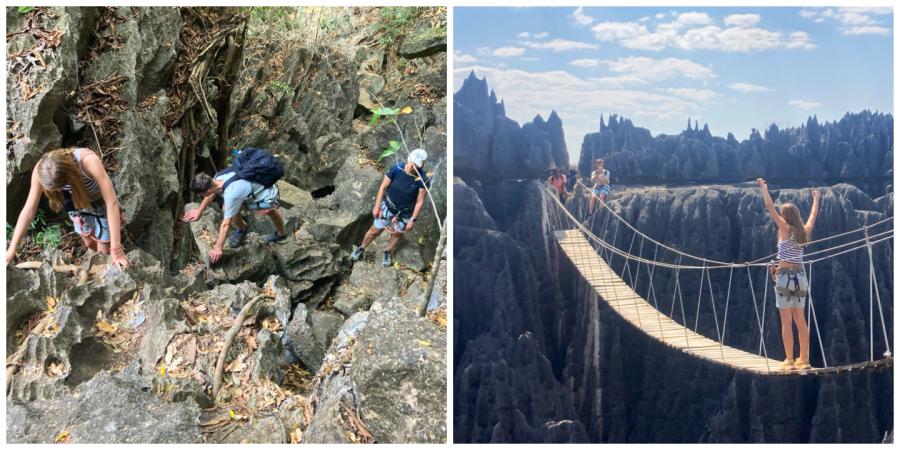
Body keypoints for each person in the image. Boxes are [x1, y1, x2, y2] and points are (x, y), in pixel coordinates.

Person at [6, 148, 130, 269]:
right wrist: (12, 249)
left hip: (99, 202)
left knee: (104, 251)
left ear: (69, 174)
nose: (59, 190)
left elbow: (111, 202)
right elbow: (28, 210)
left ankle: (109, 262)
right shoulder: (42, 170)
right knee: (89, 244)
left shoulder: (88, 162)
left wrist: (116, 248)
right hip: (76, 204)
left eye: (61, 186)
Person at [757, 178, 820, 371]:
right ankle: (804, 359)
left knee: (786, 322)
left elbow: (769, 206)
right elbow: (813, 215)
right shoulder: (805, 231)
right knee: (800, 321)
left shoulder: (784, 229)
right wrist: (816, 198)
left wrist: (763, 188)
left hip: (784, 278)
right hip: (800, 278)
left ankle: (790, 360)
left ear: (785, 217)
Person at [183, 167, 287, 264]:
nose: (199, 196)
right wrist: (198, 211)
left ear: (208, 190)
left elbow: (226, 224)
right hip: (251, 187)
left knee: (270, 211)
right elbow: (210, 195)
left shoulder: (231, 194)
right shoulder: (217, 177)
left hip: (266, 195)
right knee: (227, 208)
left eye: (200, 194)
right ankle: (242, 229)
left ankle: (281, 234)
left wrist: (218, 249)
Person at [350, 148, 430, 267]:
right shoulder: (397, 168)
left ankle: (387, 251)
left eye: (416, 165)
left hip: (404, 213)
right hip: (388, 206)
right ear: (408, 158)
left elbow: (420, 201)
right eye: (411, 162)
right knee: (374, 230)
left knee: (397, 234)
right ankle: (361, 248)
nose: (412, 167)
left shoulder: (422, 179)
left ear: (421, 165)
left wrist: (413, 219)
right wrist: (377, 206)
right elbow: (383, 187)